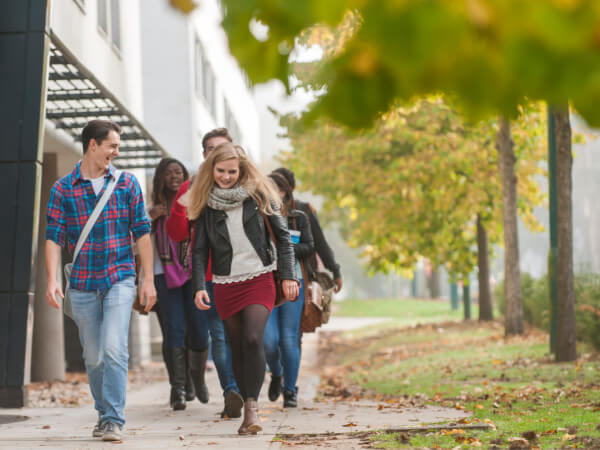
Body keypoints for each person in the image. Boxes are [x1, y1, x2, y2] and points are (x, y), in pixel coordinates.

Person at [45, 120, 156, 442]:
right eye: (112, 145)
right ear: (92, 145)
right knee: (93, 357)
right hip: (81, 282)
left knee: (113, 348)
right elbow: (53, 237)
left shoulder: (126, 183)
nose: (116, 152)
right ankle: (103, 412)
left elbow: (142, 234)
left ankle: (113, 419)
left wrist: (147, 279)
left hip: (119, 277)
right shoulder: (63, 188)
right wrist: (52, 279)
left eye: (117, 146)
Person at [188, 143, 298, 435]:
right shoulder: (205, 203)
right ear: (212, 169)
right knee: (236, 346)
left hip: (260, 277)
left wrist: (289, 276)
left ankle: (252, 408)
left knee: (252, 338)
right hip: (226, 282)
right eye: (221, 171)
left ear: (242, 169)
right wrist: (200, 285)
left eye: (231, 171)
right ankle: (247, 408)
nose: (225, 176)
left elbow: (284, 237)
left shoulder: (259, 193)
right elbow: (198, 251)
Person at [166, 128, 243, 419]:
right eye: (211, 149)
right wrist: (184, 201)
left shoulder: (247, 180)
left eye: (223, 148)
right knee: (220, 336)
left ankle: (247, 391)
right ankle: (231, 391)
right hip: (211, 275)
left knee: (247, 337)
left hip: (249, 273)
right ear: (204, 155)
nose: (217, 154)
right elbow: (177, 232)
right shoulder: (194, 186)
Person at [148, 157, 211, 411]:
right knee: (172, 331)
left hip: (192, 274)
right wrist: (149, 218)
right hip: (163, 275)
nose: (174, 177)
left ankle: (196, 377)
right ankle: (178, 389)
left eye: (178, 172)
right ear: (160, 178)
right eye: (168, 173)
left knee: (198, 331)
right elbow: (136, 241)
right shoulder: (151, 208)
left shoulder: (194, 202)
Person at [263, 173, 315, 408]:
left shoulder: (298, 217)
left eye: (275, 189)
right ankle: (276, 373)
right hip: (266, 283)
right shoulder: (259, 216)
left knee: (288, 338)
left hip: (294, 281)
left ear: (284, 192)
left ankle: (290, 389)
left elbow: (310, 247)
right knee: (269, 340)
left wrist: (285, 248)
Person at [272, 167, 342, 293]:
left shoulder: (304, 211)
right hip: (270, 278)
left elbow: (319, 243)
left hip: (302, 276)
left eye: (281, 187)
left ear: (289, 190)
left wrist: (335, 270)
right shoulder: (264, 213)